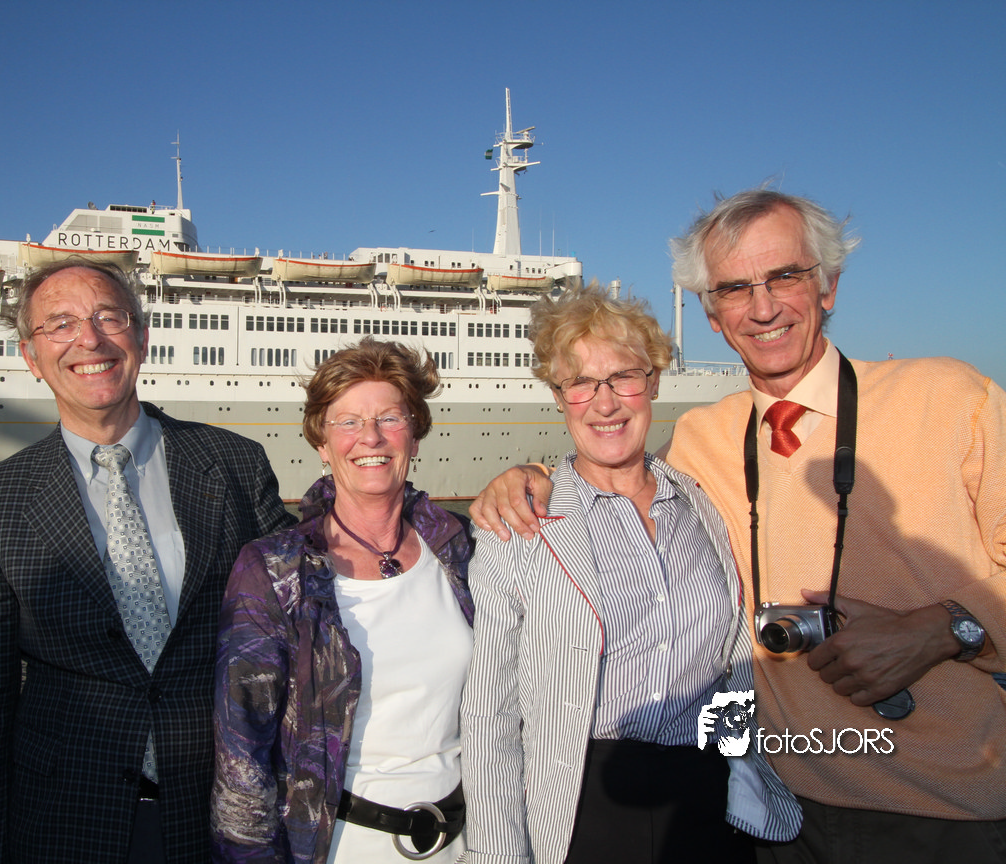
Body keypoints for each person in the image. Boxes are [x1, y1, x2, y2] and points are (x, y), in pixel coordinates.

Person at [472, 191, 1006, 863]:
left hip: (943, 812)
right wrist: (526, 473)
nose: (762, 307)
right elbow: (607, 482)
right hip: (775, 814)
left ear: (829, 286)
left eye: (784, 276)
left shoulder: (949, 399)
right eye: (734, 289)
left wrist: (947, 628)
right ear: (712, 315)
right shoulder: (704, 440)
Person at [0, 260, 295, 864]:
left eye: (109, 316)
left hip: (224, 814)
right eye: (60, 324)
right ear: (31, 357)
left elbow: (305, 603)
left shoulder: (234, 462)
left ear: (142, 337)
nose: (89, 339)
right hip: (66, 822)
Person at [460, 284, 799, 864]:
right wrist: (498, 854)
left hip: (706, 798)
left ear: (655, 383)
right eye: (581, 383)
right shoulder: (519, 526)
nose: (605, 403)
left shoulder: (701, 507)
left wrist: (733, 764)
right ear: (559, 396)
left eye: (624, 378)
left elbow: (732, 667)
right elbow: (490, 714)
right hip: (582, 805)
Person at [211, 337, 474, 863]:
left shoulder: (461, 549)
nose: (370, 437)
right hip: (342, 847)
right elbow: (241, 754)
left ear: (415, 434)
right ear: (322, 443)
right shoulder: (275, 570)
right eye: (348, 422)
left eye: (390, 418)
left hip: (467, 843)